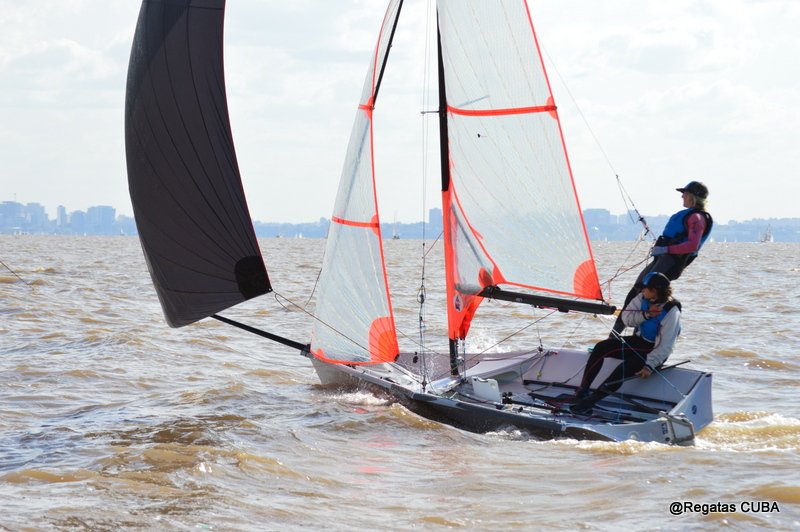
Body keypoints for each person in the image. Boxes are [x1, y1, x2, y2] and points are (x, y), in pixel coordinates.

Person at [610, 180, 712, 336]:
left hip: (670, 263)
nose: (682, 196)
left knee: (645, 296)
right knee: (635, 294)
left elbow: (692, 245)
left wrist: (666, 249)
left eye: (684, 193)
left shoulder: (697, 218)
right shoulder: (691, 215)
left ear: (693, 196)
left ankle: (635, 339)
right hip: (663, 260)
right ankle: (614, 338)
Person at [571, 271, 681, 413]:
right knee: (601, 347)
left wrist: (649, 365)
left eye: (645, 288)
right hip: (640, 341)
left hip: (655, 351)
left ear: (654, 290)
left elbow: (666, 346)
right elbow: (626, 319)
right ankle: (583, 390)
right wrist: (647, 314)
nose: (642, 290)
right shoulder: (642, 298)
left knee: (624, 368)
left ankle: (590, 402)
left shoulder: (671, 311)